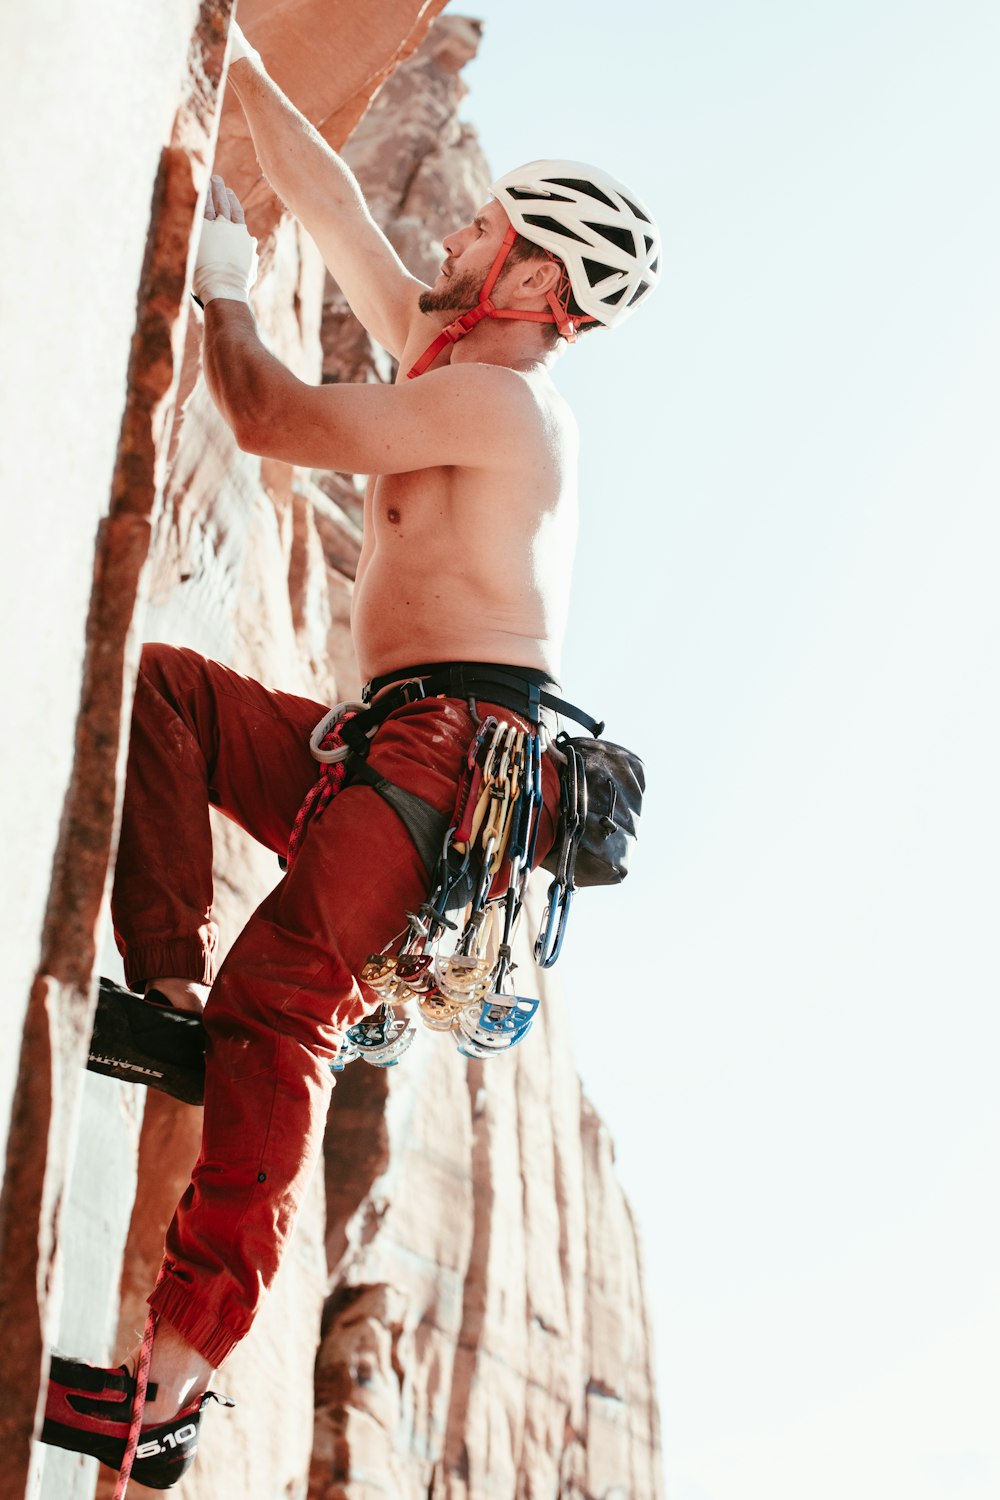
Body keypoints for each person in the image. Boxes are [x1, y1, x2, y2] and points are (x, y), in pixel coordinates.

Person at [40, 17, 660, 1491]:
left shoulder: (501, 407)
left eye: (485, 229)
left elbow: (267, 416)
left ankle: (175, 1387)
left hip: (448, 763)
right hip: (384, 741)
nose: (450, 231)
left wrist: (230, 291)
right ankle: (170, 999)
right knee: (173, 700)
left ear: (531, 283)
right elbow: (331, 196)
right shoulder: (457, 352)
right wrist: (238, 66)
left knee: (289, 1007)